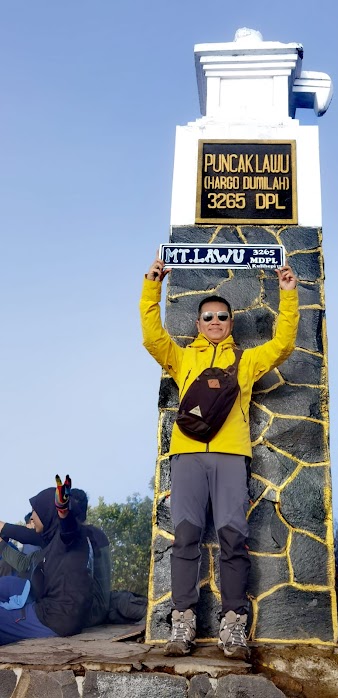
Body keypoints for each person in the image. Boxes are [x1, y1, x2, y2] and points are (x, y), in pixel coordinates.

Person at [140, 255, 299, 659]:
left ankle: (233, 626)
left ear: (230, 323)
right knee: (186, 537)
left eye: (222, 317)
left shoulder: (245, 361)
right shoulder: (182, 358)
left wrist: (288, 294)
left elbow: (282, 345)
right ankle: (182, 623)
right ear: (198, 323)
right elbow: (152, 337)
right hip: (188, 455)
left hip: (231, 456)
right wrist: (151, 286)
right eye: (207, 316)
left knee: (233, 538)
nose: (214, 321)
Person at [0, 476, 93, 646]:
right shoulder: (53, 537)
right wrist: (2, 527)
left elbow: (69, 528)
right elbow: (26, 534)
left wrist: (64, 513)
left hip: (54, 618)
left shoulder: (70, 536)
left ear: (47, 512)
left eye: (35, 511)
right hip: (54, 611)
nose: (32, 518)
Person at [0, 489, 111, 627]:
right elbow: (30, 537)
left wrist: (3, 531)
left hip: (86, 613)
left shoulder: (71, 538)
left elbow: (29, 545)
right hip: (97, 608)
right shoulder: (95, 534)